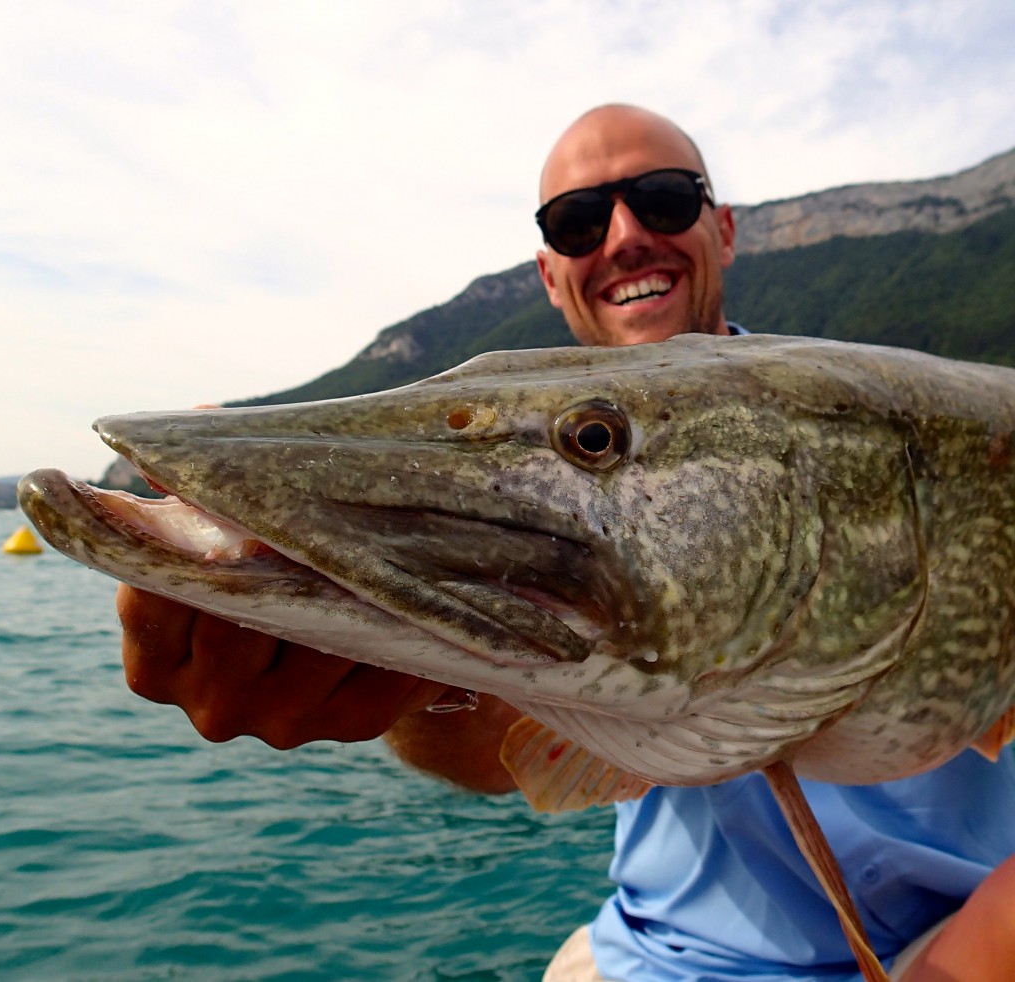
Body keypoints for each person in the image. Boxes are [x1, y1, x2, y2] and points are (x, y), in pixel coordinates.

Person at [117, 104, 1015, 981]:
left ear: (724, 229)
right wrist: (403, 678)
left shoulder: (912, 437)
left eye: (664, 199)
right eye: (577, 221)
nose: (623, 235)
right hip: (654, 952)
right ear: (550, 275)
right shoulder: (546, 515)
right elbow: (513, 757)